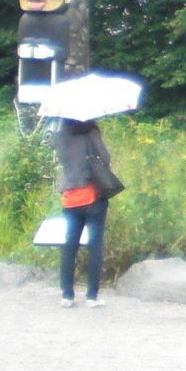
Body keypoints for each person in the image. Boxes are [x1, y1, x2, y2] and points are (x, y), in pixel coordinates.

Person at [51, 118, 116, 307]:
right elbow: (105, 158)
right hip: (92, 196)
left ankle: (67, 295)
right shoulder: (91, 131)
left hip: (70, 199)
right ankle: (91, 297)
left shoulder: (60, 136)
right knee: (94, 247)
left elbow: (65, 162)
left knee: (70, 245)